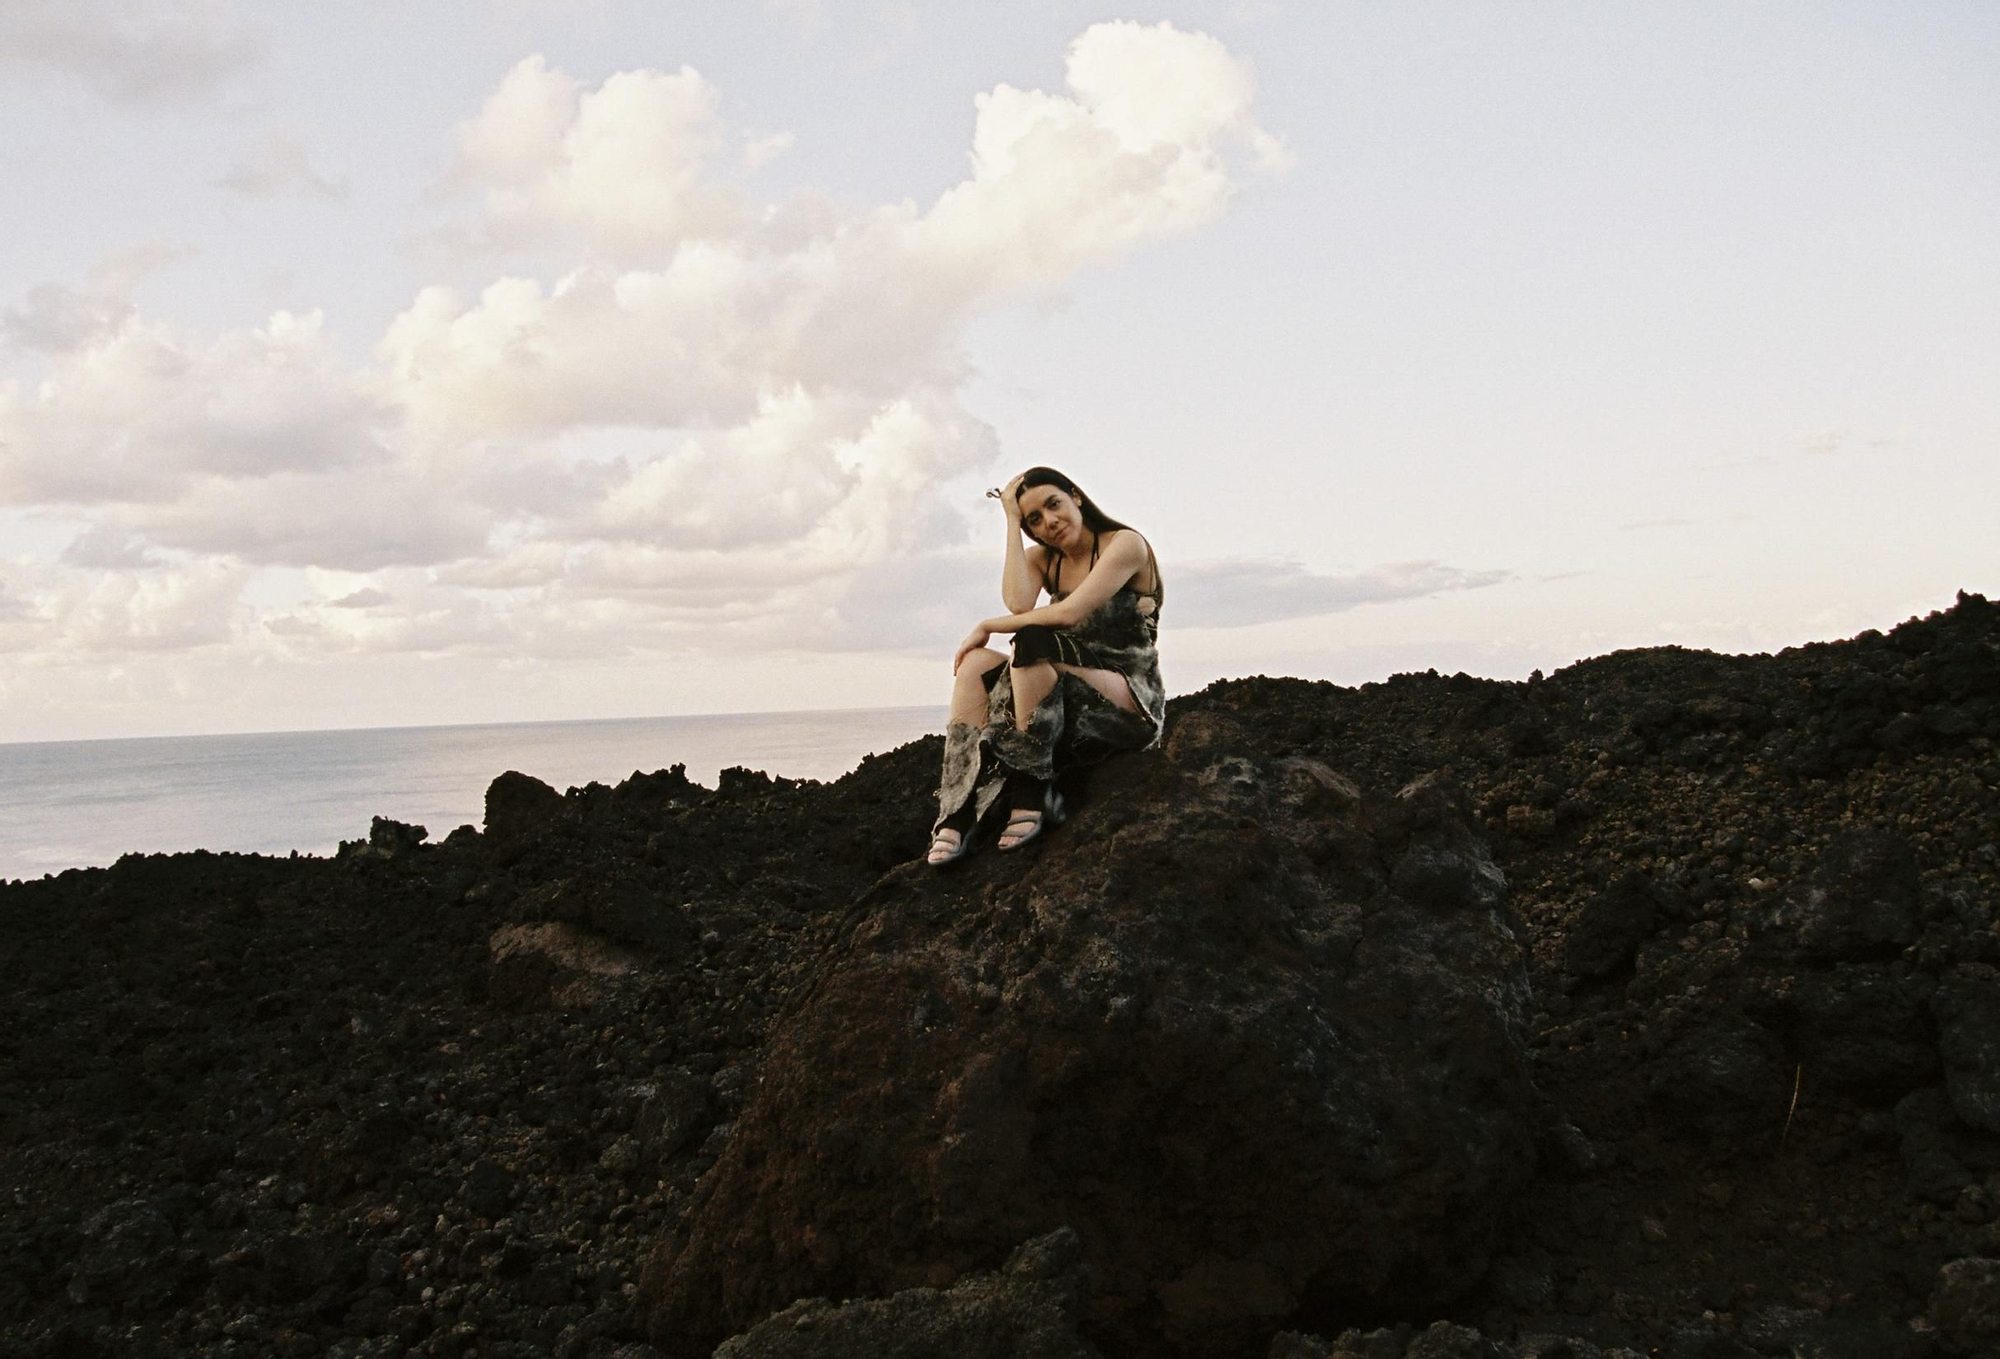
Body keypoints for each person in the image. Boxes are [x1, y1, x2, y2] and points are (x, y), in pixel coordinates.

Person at [926, 467, 1165, 865]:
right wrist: (1010, 521)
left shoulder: (1124, 544)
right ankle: (958, 808)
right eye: (1034, 519)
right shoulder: (1046, 560)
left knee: (1034, 642)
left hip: (1126, 698)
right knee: (975, 663)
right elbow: (1019, 603)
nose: (1049, 523)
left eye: (1054, 505)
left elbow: (1068, 613)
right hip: (1061, 690)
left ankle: (1031, 787)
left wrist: (987, 625)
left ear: (1077, 496)